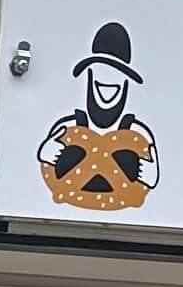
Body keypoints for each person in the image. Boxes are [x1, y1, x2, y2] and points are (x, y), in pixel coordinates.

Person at [39, 20, 160, 211]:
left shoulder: (138, 132)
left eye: (117, 73)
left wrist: (150, 176)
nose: (107, 79)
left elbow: (144, 182)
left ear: (126, 82)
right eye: (100, 70)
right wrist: (46, 155)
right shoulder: (68, 126)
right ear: (89, 75)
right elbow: (52, 170)